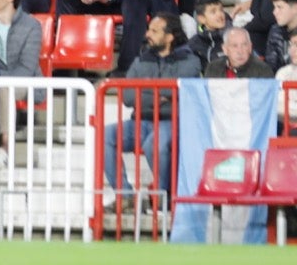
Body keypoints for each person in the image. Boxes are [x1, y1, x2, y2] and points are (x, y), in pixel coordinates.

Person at [103, 14, 200, 197]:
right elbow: (128, 97)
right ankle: (125, 196)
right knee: (105, 135)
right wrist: (161, 95)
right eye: (149, 29)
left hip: (172, 122)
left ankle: (162, 196)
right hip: (141, 121)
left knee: (153, 144)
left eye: (154, 31)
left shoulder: (190, 61)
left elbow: (176, 91)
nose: (148, 34)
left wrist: (147, 89)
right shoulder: (141, 59)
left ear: (170, 37)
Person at [205, 27, 272, 79]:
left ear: (250, 47)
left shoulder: (262, 70)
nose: (240, 51)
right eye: (234, 46)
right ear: (225, 49)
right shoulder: (213, 68)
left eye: (244, 45)